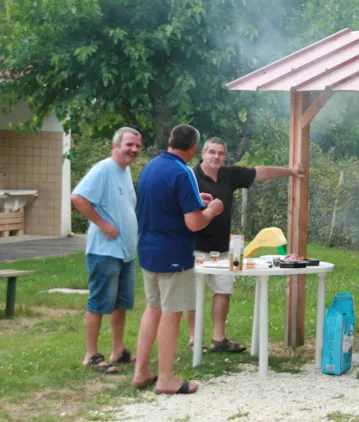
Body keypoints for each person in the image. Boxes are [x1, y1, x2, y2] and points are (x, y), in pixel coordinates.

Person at [185, 137, 305, 353]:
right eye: (212, 152)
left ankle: (218, 340)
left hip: (223, 248)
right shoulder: (190, 176)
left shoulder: (230, 174)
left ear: (225, 155)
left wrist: (290, 171)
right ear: (202, 152)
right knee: (193, 294)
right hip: (193, 246)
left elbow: (260, 172)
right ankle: (194, 340)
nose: (216, 157)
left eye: (220, 153)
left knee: (224, 290)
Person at [131, 125, 224, 394]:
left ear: (169, 140)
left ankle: (141, 372)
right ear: (194, 149)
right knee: (171, 314)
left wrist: (197, 199)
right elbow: (194, 223)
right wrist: (211, 211)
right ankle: (166, 379)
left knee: (153, 308)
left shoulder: (151, 167)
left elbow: (165, 202)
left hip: (148, 250)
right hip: (173, 253)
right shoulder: (183, 172)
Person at [72, 127, 143, 375]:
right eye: (129, 145)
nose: (133, 150)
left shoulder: (125, 171)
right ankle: (91, 355)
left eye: (137, 146)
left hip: (125, 252)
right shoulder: (103, 169)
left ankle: (118, 350)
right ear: (115, 146)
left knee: (120, 303)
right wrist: (102, 223)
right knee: (99, 302)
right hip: (104, 251)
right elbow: (78, 198)